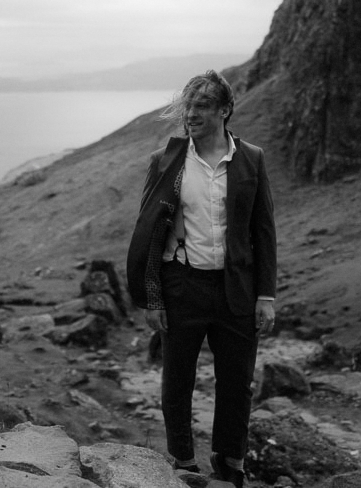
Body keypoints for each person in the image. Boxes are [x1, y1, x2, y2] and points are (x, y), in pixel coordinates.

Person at [125, 70, 276, 488]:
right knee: (177, 380)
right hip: (182, 287)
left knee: (237, 383)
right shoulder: (167, 161)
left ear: (225, 110)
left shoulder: (251, 158)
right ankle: (183, 462)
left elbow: (263, 231)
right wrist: (153, 298)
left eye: (202, 106)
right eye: (188, 106)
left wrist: (266, 295)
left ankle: (230, 461)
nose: (191, 114)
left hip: (237, 291)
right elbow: (150, 231)